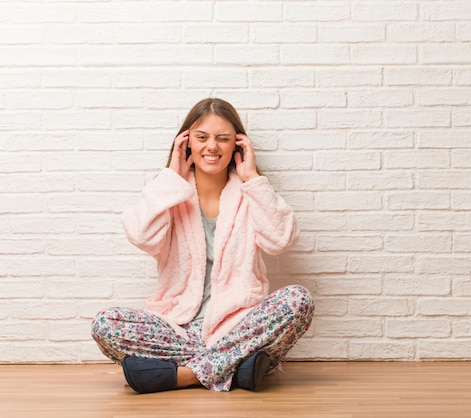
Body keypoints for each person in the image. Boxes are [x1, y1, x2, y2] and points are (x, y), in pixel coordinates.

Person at [91, 98, 314, 394]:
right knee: (105, 324)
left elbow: (281, 240)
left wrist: (252, 178)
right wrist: (172, 176)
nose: (212, 147)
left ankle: (185, 375)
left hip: (237, 324)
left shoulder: (250, 192)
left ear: (237, 145)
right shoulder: (170, 192)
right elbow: (142, 235)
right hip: (178, 328)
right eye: (202, 137)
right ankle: (236, 368)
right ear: (186, 144)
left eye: (223, 139)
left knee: (298, 300)